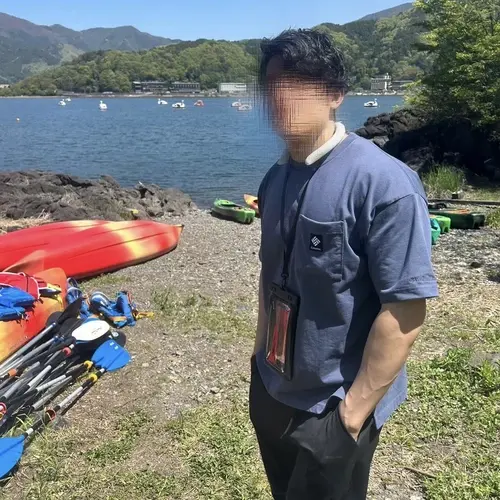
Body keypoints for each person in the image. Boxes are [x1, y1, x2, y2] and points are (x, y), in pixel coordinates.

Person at [250, 29, 439, 500]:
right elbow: (270, 276)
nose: (281, 97)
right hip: (272, 386)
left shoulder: (384, 183)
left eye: (299, 84)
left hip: (334, 405)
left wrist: (349, 418)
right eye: (273, 85)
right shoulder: (275, 178)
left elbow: (405, 309)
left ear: (335, 94)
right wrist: (258, 363)